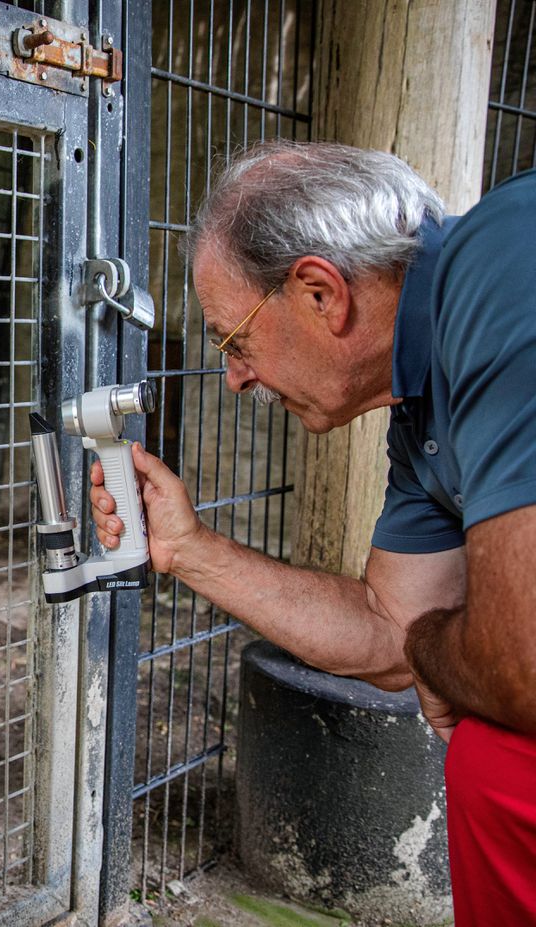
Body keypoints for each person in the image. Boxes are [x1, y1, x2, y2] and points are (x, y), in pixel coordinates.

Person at [90, 141, 536, 925]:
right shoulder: (421, 414)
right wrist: (187, 548)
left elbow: (518, 659)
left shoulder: (506, 267)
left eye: (234, 340)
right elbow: (388, 628)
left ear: (321, 292)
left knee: (498, 757)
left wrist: (439, 647)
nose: (235, 376)